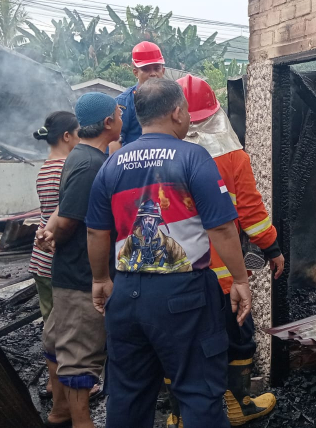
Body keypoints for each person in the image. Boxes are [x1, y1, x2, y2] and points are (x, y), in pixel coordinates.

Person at [85, 78, 252, 428]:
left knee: (128, 395)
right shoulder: (192, 156)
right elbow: (220, 228)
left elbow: (96, 230)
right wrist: (239, 279)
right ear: (177, 112)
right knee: (198, 393)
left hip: (126, 296)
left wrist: (101, 278)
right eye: (187, 110)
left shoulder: (111, 165)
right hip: (184, 298)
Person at [163, 75, 282, 427]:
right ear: (214, 112)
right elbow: (250, 214)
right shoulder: (232, 157)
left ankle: (179, 415)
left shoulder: (154, 158)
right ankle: (238, 404)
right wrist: (272, 246)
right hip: (223, 278)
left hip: (171, 277)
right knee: (237, 338)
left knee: (178, 344)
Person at [39, 93, 123, 428]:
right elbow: (72, 218)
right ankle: (81, 422)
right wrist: (52, 236)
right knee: (80, 354)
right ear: (107, 123)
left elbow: (64, 208)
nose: (121, 118)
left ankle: (60, 412)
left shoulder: (81, 156)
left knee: (59, 340)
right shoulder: (91, 164)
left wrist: (47, 231)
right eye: (118, 114)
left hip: (71, 273)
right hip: (80, 274)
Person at [30, 111, 79, 401]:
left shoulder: (44, 168)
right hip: (56, 257)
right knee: (64, 329)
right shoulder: (68, 168)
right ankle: (63, 389)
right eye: (78, 133)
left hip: (40, 259)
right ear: (66, 136)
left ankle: (53, 384)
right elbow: (66, 214)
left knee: (50, 325)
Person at [109, 40, 166, 154]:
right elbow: (114, 141)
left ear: (163, 70)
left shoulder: (172, 99)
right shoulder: (123, 102)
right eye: (146, 69)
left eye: (156, 68)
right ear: (135, 72)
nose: (153, 73)